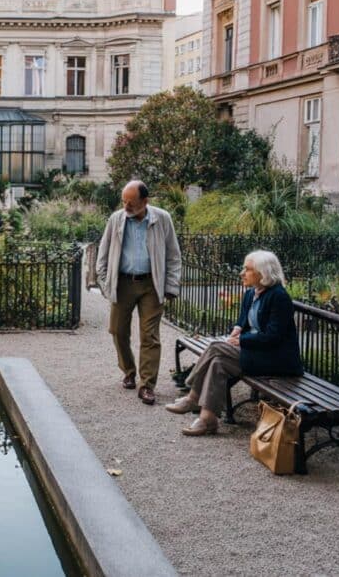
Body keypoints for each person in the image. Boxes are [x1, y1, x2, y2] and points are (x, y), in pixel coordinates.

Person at [165, 250, 304, 435]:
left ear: (263, 273)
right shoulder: (250, 294)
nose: (242, 273)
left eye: (247, 269)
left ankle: (192, 395)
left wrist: (240, 340)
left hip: (276, 360)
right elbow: (243, 321)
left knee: (216, 347)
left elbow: (273, 337)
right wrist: (238, 329)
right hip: (256, 354)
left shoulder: (278, 296)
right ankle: (208, 420)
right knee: (218, 362)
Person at [95, 180, 181, 405]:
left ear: (145, 201)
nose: (126, 207)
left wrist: (171, 286)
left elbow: (173, 255)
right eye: (124, 201)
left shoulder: (162, 218)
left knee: (150, 336)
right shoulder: (116, 219)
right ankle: (129, 370)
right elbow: (102, 254)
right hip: (122, 283)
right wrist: (105, 284)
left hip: (152, 285)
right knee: (117, 330)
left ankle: (147, 385)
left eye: (131, 203)